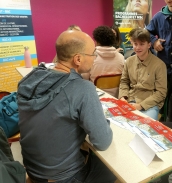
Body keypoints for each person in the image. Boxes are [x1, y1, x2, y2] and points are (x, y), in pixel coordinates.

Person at [18, 30, 116, 183]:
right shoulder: (83, 89)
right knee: (114, 168)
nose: (94, 58)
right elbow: (102, 141)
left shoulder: (31, 79)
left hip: (31, 169)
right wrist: (104, 122)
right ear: (78, 59)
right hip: (65, 177)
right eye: (92, 54)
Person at [119, 28, 167, 120]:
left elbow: (161, 92)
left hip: (149, 104)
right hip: (129, 99)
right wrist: (123, 97)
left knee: (144, 127)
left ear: (149, 45)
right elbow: (124, 81)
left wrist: (140, 106)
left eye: (141, 44)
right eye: (135, 44)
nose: (137, 47)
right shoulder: (129, 61)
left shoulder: (159, 65)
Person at [89, 26, 124, 97]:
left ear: (97, 41)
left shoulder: (90, 58)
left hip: (95, 98)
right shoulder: (121, 58)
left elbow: (84, 81)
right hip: (117, 98)